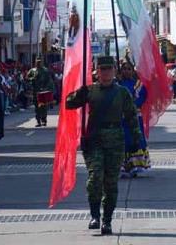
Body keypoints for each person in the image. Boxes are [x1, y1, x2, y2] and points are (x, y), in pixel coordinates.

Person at [65, 56, 140, 235]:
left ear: (114, 71)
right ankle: (94, 216)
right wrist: (80, 93)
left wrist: (136, 138)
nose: (105, 72)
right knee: (94, 179)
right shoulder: (90, 91)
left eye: (109, 69)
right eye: (102, 69)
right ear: (97, 72)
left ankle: (107, 220)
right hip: (95, 140)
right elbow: (69, 103)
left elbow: (131, 116)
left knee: (111, 183)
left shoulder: (122, 93)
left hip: (115, 141)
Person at [117, 61, 150, 177]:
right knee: (122, 140)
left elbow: (142, 98)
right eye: (124, 69)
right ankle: (123, 165)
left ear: (133, 70)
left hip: (134, 117)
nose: (126, 71)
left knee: (135, 139)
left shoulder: (138, 84)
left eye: (128, 69)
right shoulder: (117, 84)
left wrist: (131, 107)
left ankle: (135, 165)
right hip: (120, 118)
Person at [26, 57, 55, 127]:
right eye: (37, 62)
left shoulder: (45, 70)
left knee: (43, 106)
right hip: (35, 91)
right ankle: (38, 121)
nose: (38, 63)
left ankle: (44, 120)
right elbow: (27, 78)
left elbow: (49, 80)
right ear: (35, 62)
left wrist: (47, 88)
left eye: (40, 62)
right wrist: (32, 79)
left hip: (43, 92)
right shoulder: (32, 70)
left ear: (41, 62)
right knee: (37, 107)